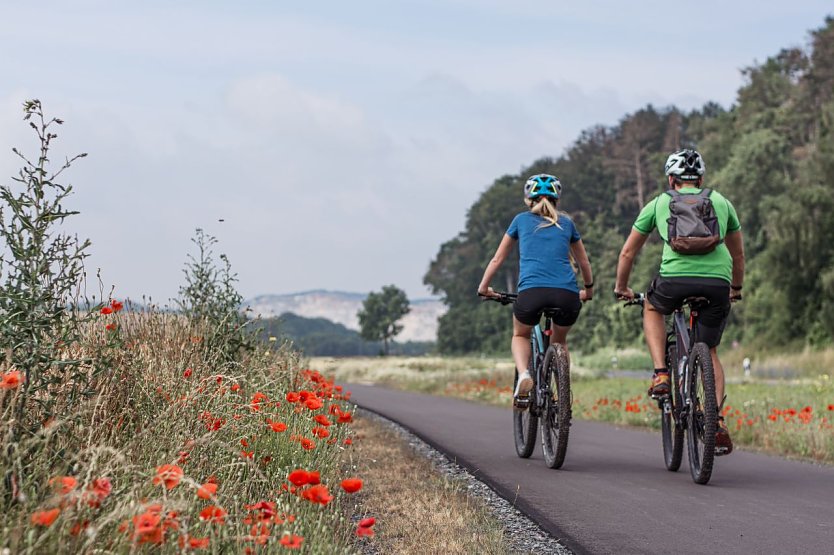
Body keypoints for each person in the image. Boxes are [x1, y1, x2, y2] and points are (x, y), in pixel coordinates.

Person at [614, 149, 745, 455]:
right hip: (717, 283)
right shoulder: (722, 202)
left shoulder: (660, 202)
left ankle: (661, 372)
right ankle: (717, 420)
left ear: (671, 180)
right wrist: (735, 288)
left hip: (674, 280)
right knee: (710, 349)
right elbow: (738, 254)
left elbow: (627, 253)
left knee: (652, 307)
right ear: (701, 179)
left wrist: (622, 287)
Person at [478, 174, 594, 400]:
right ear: (556, 200)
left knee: (520, 335)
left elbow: (497, 259)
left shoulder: (520, 221)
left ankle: (523, 375)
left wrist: (484, 288)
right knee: (559, 341)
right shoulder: (567, 223)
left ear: (528, 199)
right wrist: (588, 291)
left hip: (531, 294)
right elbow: (584, 262)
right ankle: (562, 393)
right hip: (568, 296)